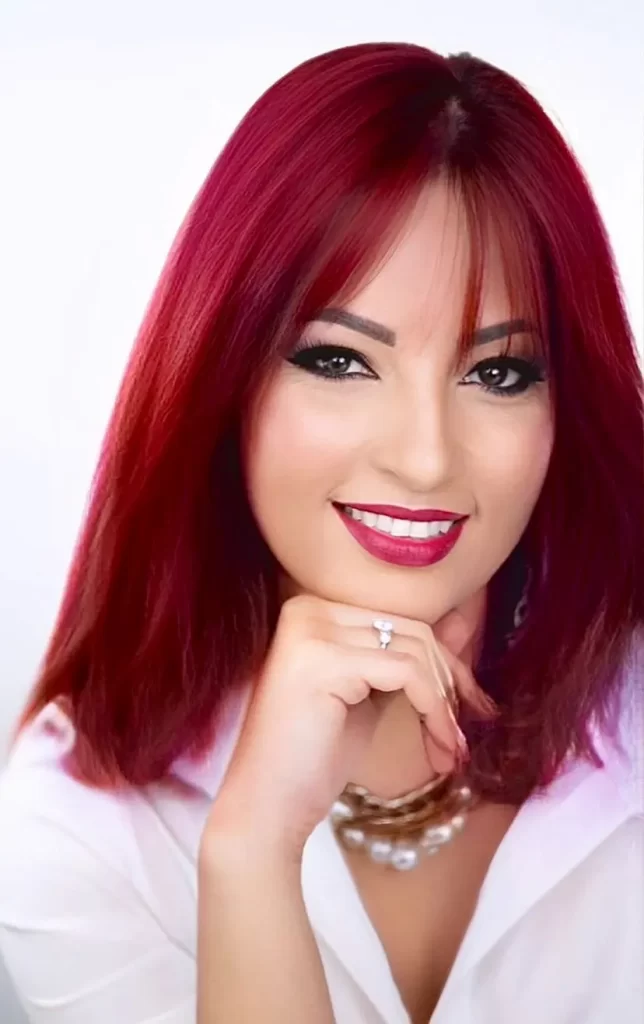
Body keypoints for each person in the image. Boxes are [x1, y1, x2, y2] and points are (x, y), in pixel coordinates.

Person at [0, 40, 642, 1024]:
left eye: (497, 372)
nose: (425, 458)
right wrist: (251, 854)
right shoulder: (77, 822)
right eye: (340, 361)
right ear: (223, 380)